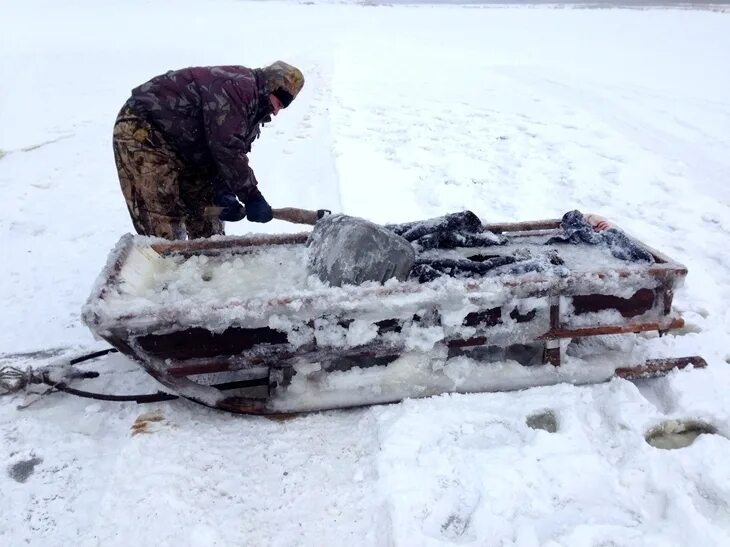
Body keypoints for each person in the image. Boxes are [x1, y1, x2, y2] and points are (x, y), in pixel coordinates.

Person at [112, 61, 304, 240]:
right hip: (145, 132)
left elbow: (221, 155)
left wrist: (223, 192)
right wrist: (252, 197)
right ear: (271, 86)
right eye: (279, 103)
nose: (276, 111)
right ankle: (168, 270)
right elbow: (227, 148)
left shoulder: (254, 111)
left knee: (207, 214)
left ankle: (207, 268)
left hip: (186, 149)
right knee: (163, 218)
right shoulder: (238, 88)